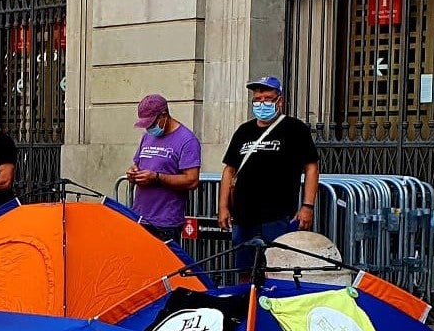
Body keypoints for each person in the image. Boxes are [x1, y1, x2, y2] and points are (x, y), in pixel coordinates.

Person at [218, 75, 318, 274]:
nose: (261, 103)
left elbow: (311, 168)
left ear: (279, 100)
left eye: (267, 98)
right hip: (243, 217)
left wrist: (307, 206)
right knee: (245, 271)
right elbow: (229, 170)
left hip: (278, 216)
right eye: (257, 99)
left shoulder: (295, 129)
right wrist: (223, 207)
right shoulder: (243, 131)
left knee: (278, 270)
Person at [124, 93, 201, 243]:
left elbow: (192, 180)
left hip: (165, 221)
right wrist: (133, 171)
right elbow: (138, 163)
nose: (148, 128)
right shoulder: (147, 137)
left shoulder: (187, 140)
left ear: (164, 115)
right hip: (140, 215)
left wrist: (157, 177)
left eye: (151, 124)